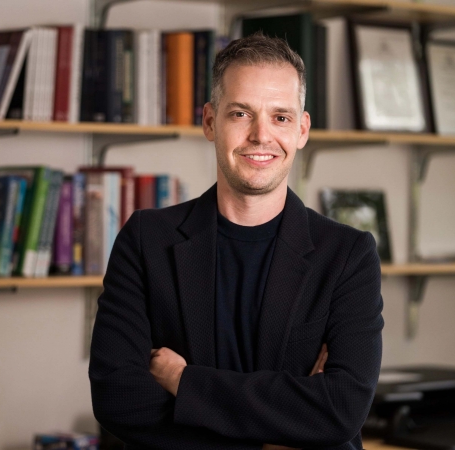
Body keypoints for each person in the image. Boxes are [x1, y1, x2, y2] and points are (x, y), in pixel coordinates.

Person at [88, 32, 384, 450]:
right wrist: (281, 433)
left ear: (301, 130)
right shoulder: (146, 240)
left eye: (280, 117)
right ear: (210, 122)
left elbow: (340, 410)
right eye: (241, 114)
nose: (261, 136)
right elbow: (120, 398)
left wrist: (182, 380)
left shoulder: (348, 255)